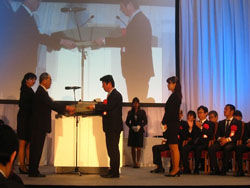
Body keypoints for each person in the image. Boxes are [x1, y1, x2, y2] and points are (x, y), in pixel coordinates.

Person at [0, 0, 76, 99]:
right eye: (37, 0)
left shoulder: (25, 15)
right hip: (17, 69)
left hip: (18, 68)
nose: (39, 2)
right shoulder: (22, 15)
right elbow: (36, 36)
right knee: (14, 99)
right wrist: (61, 41)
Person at [95, 0, 154, 102]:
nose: (121, 10)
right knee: (134, 101)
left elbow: (127, 40)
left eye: (122, 7)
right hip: (136, 70)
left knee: (136, 102)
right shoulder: (137, 19)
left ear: (130, 5)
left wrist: (105, 40)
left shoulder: (139, 20)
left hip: (138, 71)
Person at [29, 72, 75, 177]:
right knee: (36, 148)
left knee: (37, 147)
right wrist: (66, 108)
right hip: (38, 125)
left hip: (39, 125)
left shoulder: (42, 91)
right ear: (44, 80)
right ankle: (33, 171)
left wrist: (64, 109)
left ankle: (33, 170)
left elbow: (51, 104)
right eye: (50, 80)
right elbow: (51, 104)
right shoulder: (41, 92)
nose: (51, 83)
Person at [89, 75, 123, 178]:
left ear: (109, 83)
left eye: (103, 84)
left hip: (114, 127)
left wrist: (95, 106)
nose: (102, 86)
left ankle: (115, 172)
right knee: (111, 149)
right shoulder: (110, 95)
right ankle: (112, 170)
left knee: (113, 149)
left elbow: (109, 107)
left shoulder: (116, 95)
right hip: (110, 127)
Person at [208, 104, 242, 175]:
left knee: (227, 148)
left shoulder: (237, 122)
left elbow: (237, 136)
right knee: (211, 148)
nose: (224, 111)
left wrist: (227, 140)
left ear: (232, 111)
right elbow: (217, 135)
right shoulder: (221, 122)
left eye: (226, 109)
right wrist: (221, 138)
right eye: (224, 109)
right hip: (221, 142)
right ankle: (216, 169)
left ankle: (224, 170)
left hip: (231, 142)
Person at [161, 76, 182, 177]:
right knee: (171, 146)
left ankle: (176, 168)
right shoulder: (174, 95)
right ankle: (174, 168)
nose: (168, 85)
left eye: (169, 83)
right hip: (171, 123)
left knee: (174, 146)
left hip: (173, 123)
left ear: (175, 84)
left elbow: (172, 112)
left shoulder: (176, 96)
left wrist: (165, 121)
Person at [17, 72, 37, 174]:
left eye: (35, 80)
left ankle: (29, 165)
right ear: (26, 80)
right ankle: (22, 166)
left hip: (28, 120)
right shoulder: (25, 90)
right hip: (24, 120)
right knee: (23, 143)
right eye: (32, 79)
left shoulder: (29, 90)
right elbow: (23, 105)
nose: (34, 81)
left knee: (28, 144)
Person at [125, 97, 147, 168]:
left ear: (139, 103)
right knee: (133, 147)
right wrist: (131, 127)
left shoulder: (142, 112)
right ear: (132, 104)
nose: (135, 104)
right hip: (132, 131)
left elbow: (145, 121)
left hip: (139, 131)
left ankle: (138, 162)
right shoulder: (130, 112)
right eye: (134, 103)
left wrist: (140, 126)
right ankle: (134, 162)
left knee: (139, 147)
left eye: (137, 103)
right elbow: (127, 122)